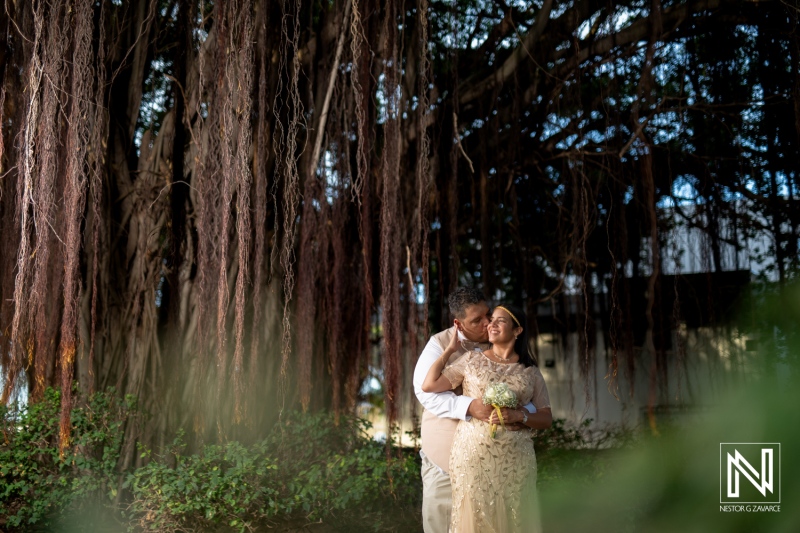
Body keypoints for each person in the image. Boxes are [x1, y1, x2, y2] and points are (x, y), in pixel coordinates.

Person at [412, 289, 537, 533]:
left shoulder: (504, 342)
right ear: (458, 323)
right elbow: (425, 391)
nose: (486, 323)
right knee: (444, 524)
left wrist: (522, 413)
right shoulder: (438, 344)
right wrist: (470, 406)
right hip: (447, 458)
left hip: (500, 461)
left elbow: (528, 388)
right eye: (476, 321)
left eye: (488, 315)